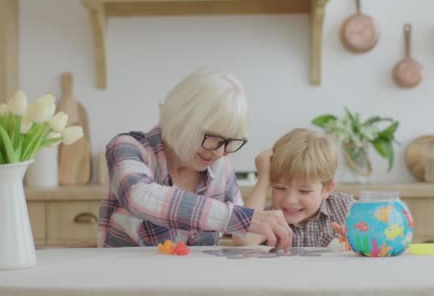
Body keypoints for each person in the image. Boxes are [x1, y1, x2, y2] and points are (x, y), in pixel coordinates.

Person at [98, 68, 292, 251]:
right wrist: (242, 218)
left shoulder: (221, 168)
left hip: (195, 284)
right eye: (212, 138)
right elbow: (139, 196)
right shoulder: (127, 147)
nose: (219, 153)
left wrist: (263, 182)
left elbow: (244, 237)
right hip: (128, 283)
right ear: (182, 121)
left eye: (229, 142)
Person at [233, 128, 354, 247]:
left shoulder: (345, 208)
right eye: (280, 188)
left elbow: (371, 244)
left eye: (304, 191)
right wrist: (263, 178)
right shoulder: (268, 217)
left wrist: (359, 243)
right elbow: (244, 240)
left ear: (327, 189)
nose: (290, 200)